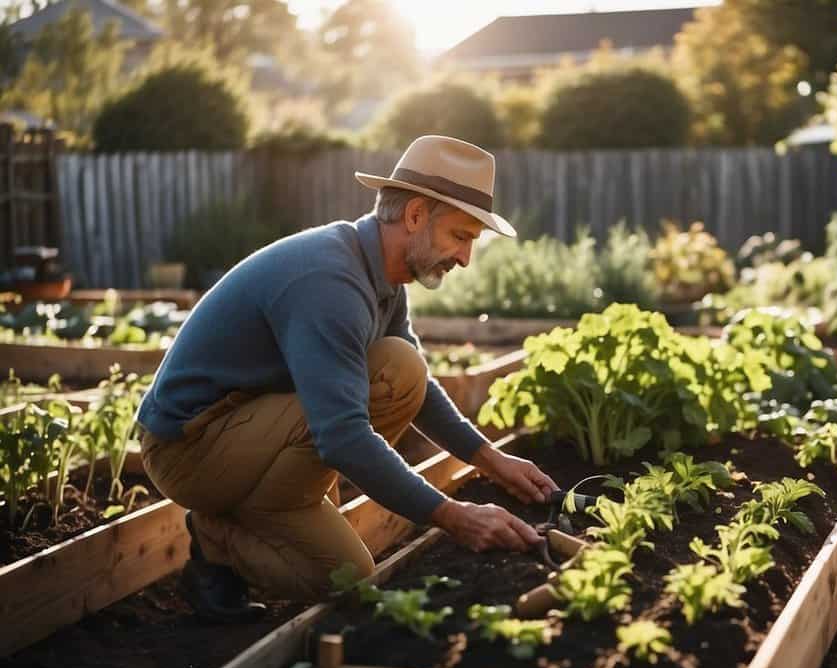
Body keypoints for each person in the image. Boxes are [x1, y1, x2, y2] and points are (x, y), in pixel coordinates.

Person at [136, 135, 558, 622]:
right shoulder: (330, 283)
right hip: (190, 448)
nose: (464, 258)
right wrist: (455, 517)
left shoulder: (379, 270)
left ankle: (266, 510)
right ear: (416, 215)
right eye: (460, 236)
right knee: (341, 578)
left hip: (245, 429)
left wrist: (490, 458)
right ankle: (219, 539)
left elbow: (414, 387)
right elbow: (342, 436)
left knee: (401, 369)